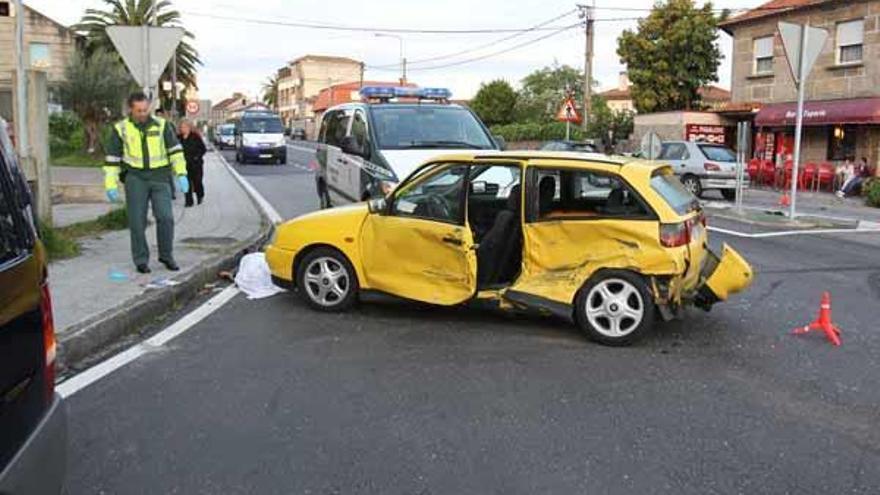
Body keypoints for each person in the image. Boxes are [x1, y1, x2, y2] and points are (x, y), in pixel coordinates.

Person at [103, 92, 189, 274]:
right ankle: (141, 260)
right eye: (139, 110)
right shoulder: (121, 129)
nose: (143, 114)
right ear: (131, 110)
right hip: (135, 178)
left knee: (166, 217)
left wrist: (182, 174)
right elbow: (112, 159)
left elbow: (175, 151)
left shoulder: (162, 125)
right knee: (137, 221)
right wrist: (110, 184)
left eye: (145, 110)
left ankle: (166, 256)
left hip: (160, 177)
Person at [178, 119, 207, 206]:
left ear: (189, 127)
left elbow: (203, 149)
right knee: (185, 183)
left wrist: (197, 157)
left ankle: (200, 195)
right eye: (181, 127)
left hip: (195, 164)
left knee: (197, 182)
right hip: (183, 164)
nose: (183, 129)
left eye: (185, 127)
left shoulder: (195, 137)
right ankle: (189, 201)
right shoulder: (178, 138)